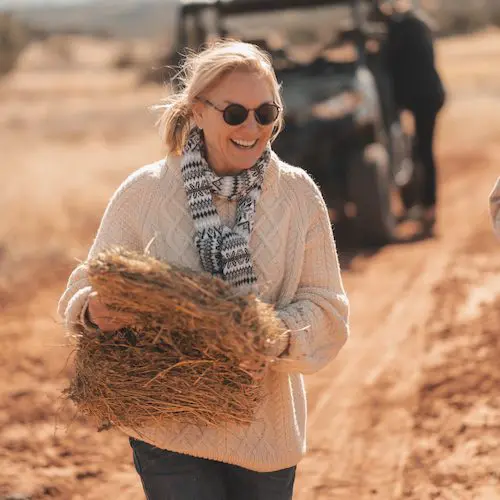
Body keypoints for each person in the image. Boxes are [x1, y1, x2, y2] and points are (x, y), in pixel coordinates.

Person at [58, 40, 349, 500]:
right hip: (165, 428)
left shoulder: (297, 195)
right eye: (235, 113)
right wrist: (94, 311)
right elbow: (80, 291)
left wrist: (276, 336)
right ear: (197, 110)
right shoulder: (144, 192)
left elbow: (328, 308)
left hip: (264, 434)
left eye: (265, 113)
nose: (251, 127)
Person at [375, 0, 446, 232]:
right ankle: (421, 205)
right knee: (418, 148)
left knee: (421, 150)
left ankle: (427, 208)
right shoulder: (415, 24)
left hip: (422, 98)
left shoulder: (400, 31)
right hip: (426, 97)